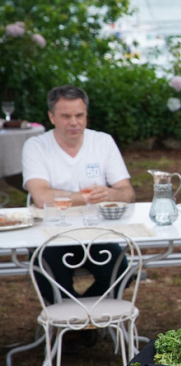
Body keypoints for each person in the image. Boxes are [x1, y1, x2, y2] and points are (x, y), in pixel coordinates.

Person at [22, 85, 135, 325]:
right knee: (49, 274)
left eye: (79, 115)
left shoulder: (102, 142)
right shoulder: (36, 146)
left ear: (86, 115)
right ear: (51, 117)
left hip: (98, 232)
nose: (74, 122)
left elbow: (127, 192)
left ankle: (80, 320)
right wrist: (84, 197)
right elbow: (41, 196)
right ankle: (73, 325)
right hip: (50, 234)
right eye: (66, 116)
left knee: (123, 268)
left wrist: (110, 192)